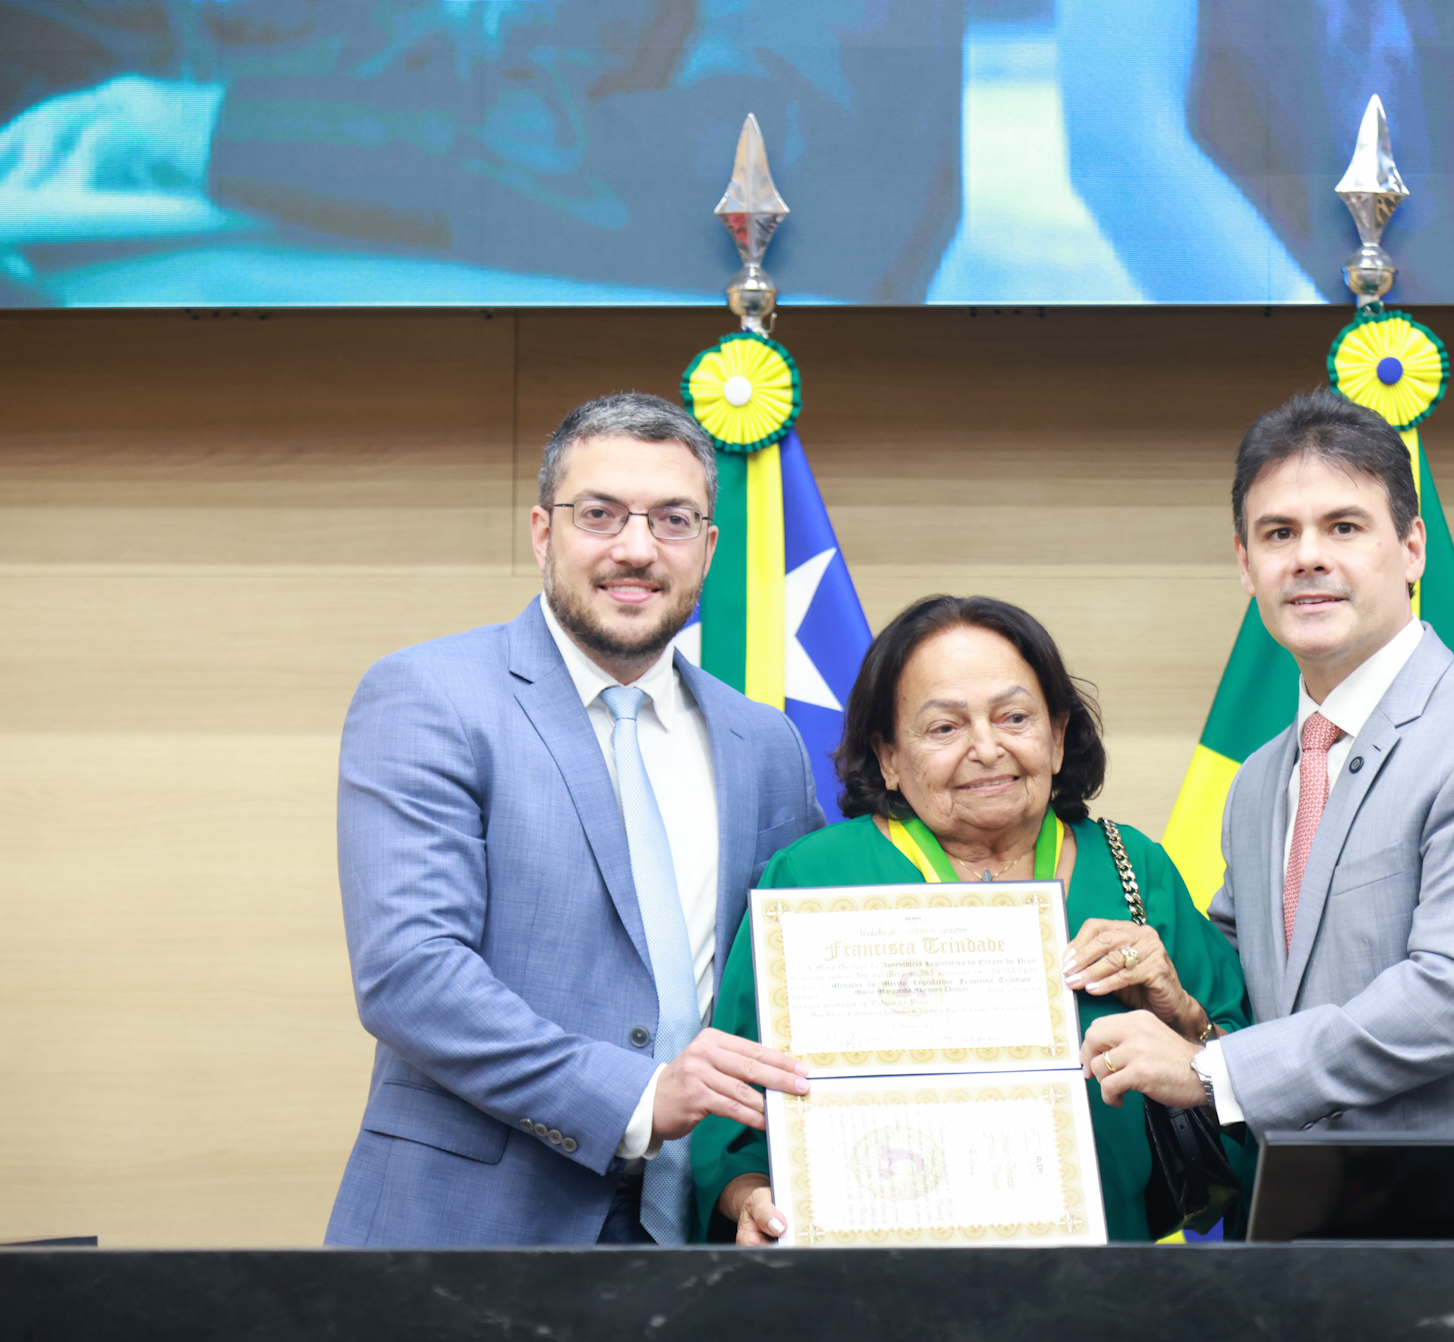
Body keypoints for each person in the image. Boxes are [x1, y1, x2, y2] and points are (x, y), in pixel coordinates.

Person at [326, 392, 825, 1247]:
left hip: (703, 1233)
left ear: (707, 550)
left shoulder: (764, 742)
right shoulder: (430, 696)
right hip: (473, 1230)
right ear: (541, 531)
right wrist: (636, 1100)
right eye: (600, 514)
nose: (636, 548)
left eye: (672, 520)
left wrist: (749, 1180)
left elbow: (794, 978)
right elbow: (410, 973)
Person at [1081, 389, 1454, 1136]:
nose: (1308, 557)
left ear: (1411, 548)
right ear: (1245, 565)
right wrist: (1174, 992)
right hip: (1319, 1217)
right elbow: (1256, 991)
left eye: (1343, 527)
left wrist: (1212, 1073)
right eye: (1278, 534)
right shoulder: (1260, 780)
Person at [692, 595, 1258, 1243]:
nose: (986, 748)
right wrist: (749, 1201)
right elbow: (730, 1113)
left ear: (1058, 736)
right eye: (944, 728)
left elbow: (1252, 1078)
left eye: (1014, 717)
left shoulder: (1135, 869)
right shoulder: (814, 877)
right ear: (888, 758)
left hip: (1105, 1281)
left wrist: (1183, 1015)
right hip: (870, 1285)